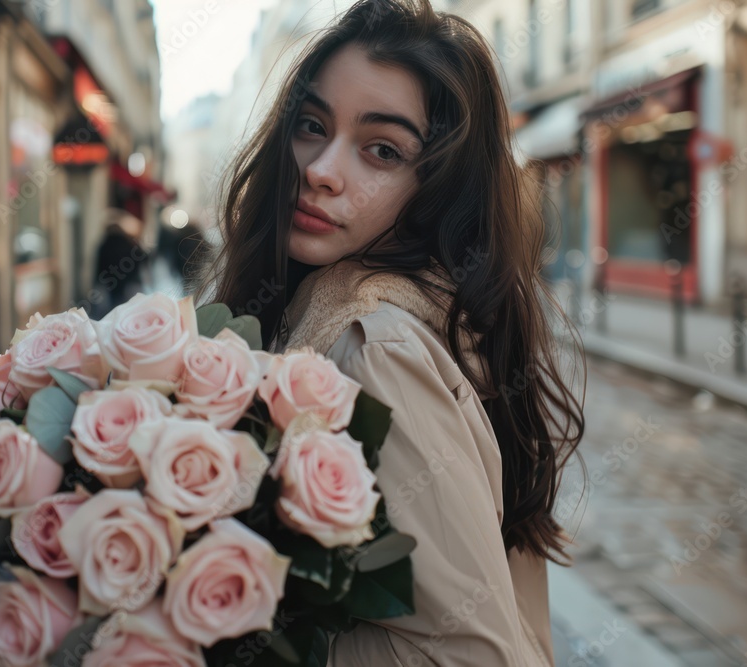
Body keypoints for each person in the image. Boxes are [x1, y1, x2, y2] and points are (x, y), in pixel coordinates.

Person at [191, 1, 586, 665]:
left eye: (382, 149)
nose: (320, 168)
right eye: (312, 125)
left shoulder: (375, 348)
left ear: (436, 189)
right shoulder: (328, 309)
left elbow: (475, 653)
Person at [91, 208, 153, 318]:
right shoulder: (128, 243)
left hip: (110, 284)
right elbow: (143, 258)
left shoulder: (104, 245)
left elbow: (98, 266)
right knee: (127, 312)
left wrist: (96, 282)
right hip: (128, 283)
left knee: (110, 312)